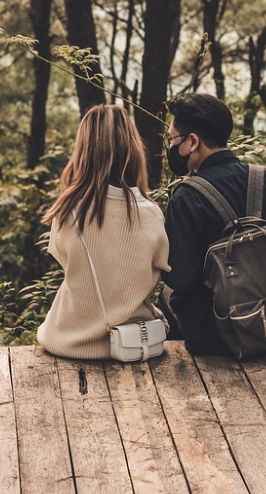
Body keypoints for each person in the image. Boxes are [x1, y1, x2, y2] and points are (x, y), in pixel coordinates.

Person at [160, 93, 266, 355]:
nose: (171, 148)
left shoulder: (188, 197)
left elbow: (182, 280)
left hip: (222, 338)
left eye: (173, 139)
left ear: (193, 141)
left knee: (169, 293)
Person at [37, 104, 169, 359]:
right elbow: (161, 267)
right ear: (132, 148)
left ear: (84, 149)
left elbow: (68, 264)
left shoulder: (68, 210)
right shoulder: (152, 215)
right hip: (134, 342)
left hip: (66, 342)